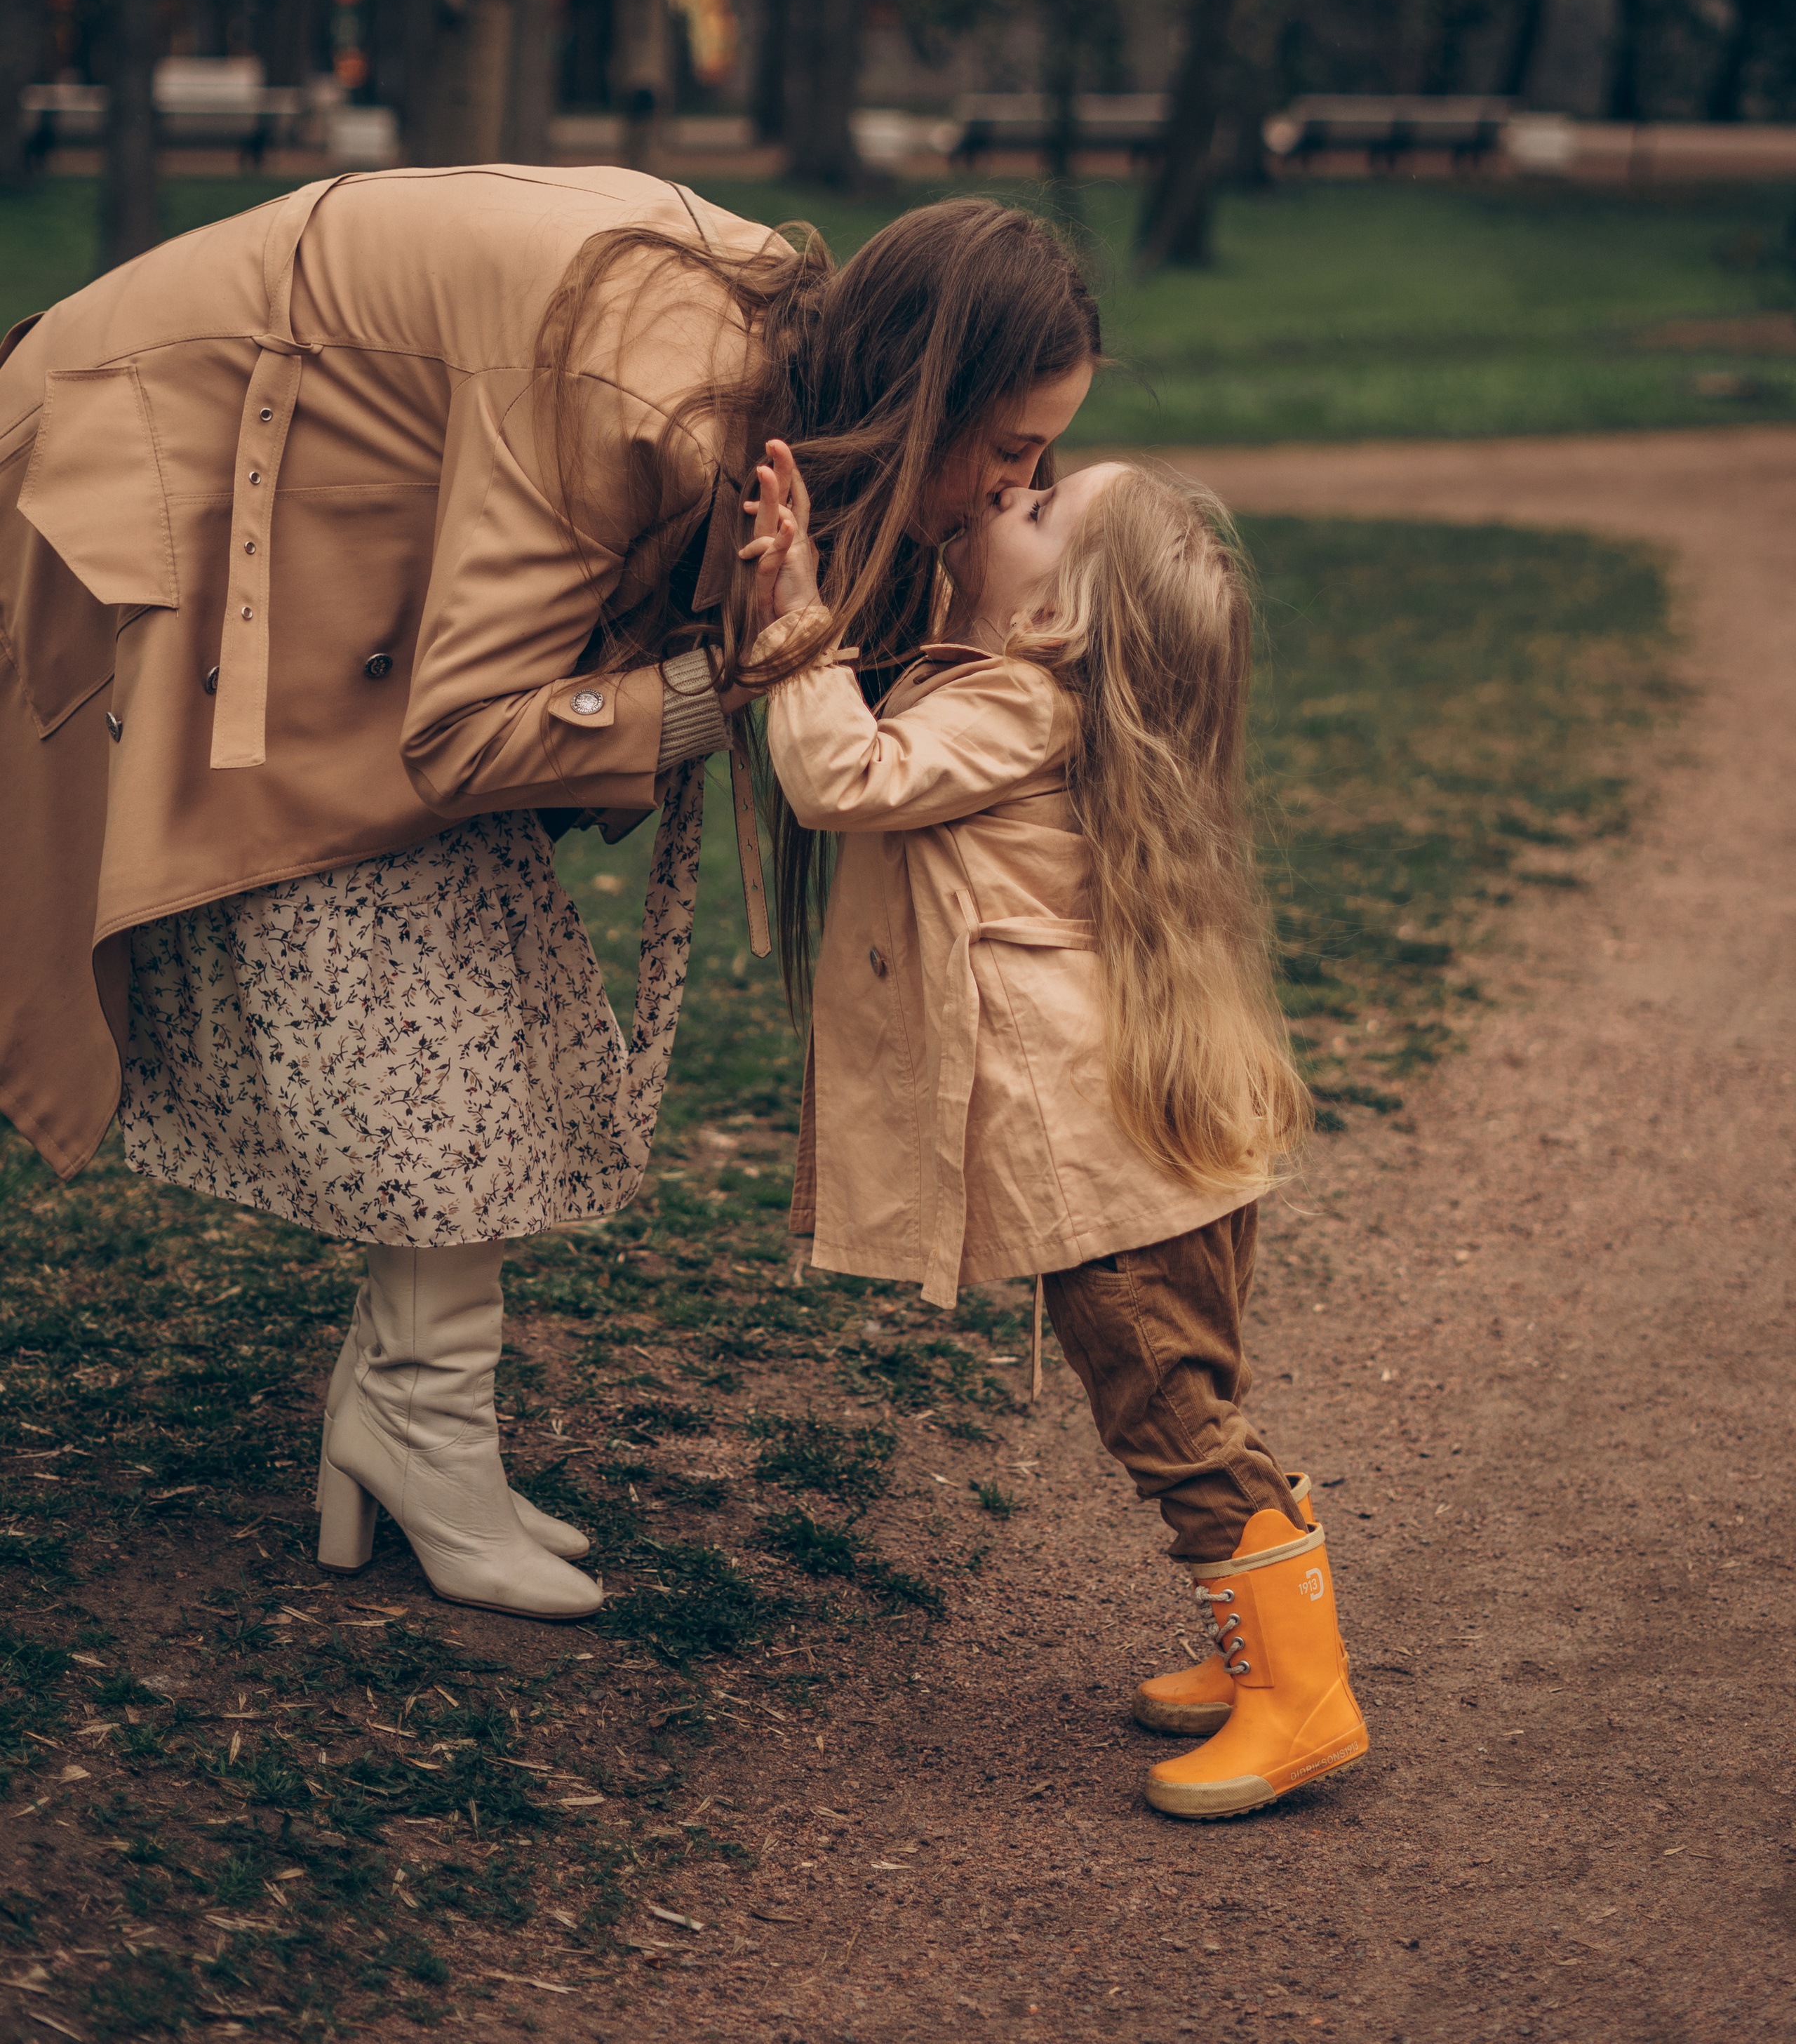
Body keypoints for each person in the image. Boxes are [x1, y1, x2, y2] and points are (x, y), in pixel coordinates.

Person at [0, 168, 1098, 1619]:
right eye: (1010, 455)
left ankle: (403, 1421)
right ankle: (417, 1431)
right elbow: (463, 737)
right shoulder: (640, 384)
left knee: (495, 996)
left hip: (339, 520)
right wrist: (735, 683)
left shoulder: (781, 350)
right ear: (925, 394)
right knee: (439, 1015)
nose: (1010, 496)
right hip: (159, 467)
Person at [741, 439, 1369, 1818]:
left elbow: (844, 777)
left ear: (1059, 620)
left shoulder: (1020, 704)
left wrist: (793, 617)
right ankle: (1257, 1637)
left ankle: (1303, 1696)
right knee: (1194, 1406)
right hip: (1147, 1158)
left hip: (1109, 1185)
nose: (1005, 495)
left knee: (1171, 1419)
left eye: (1035, 505)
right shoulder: (1046, 693)